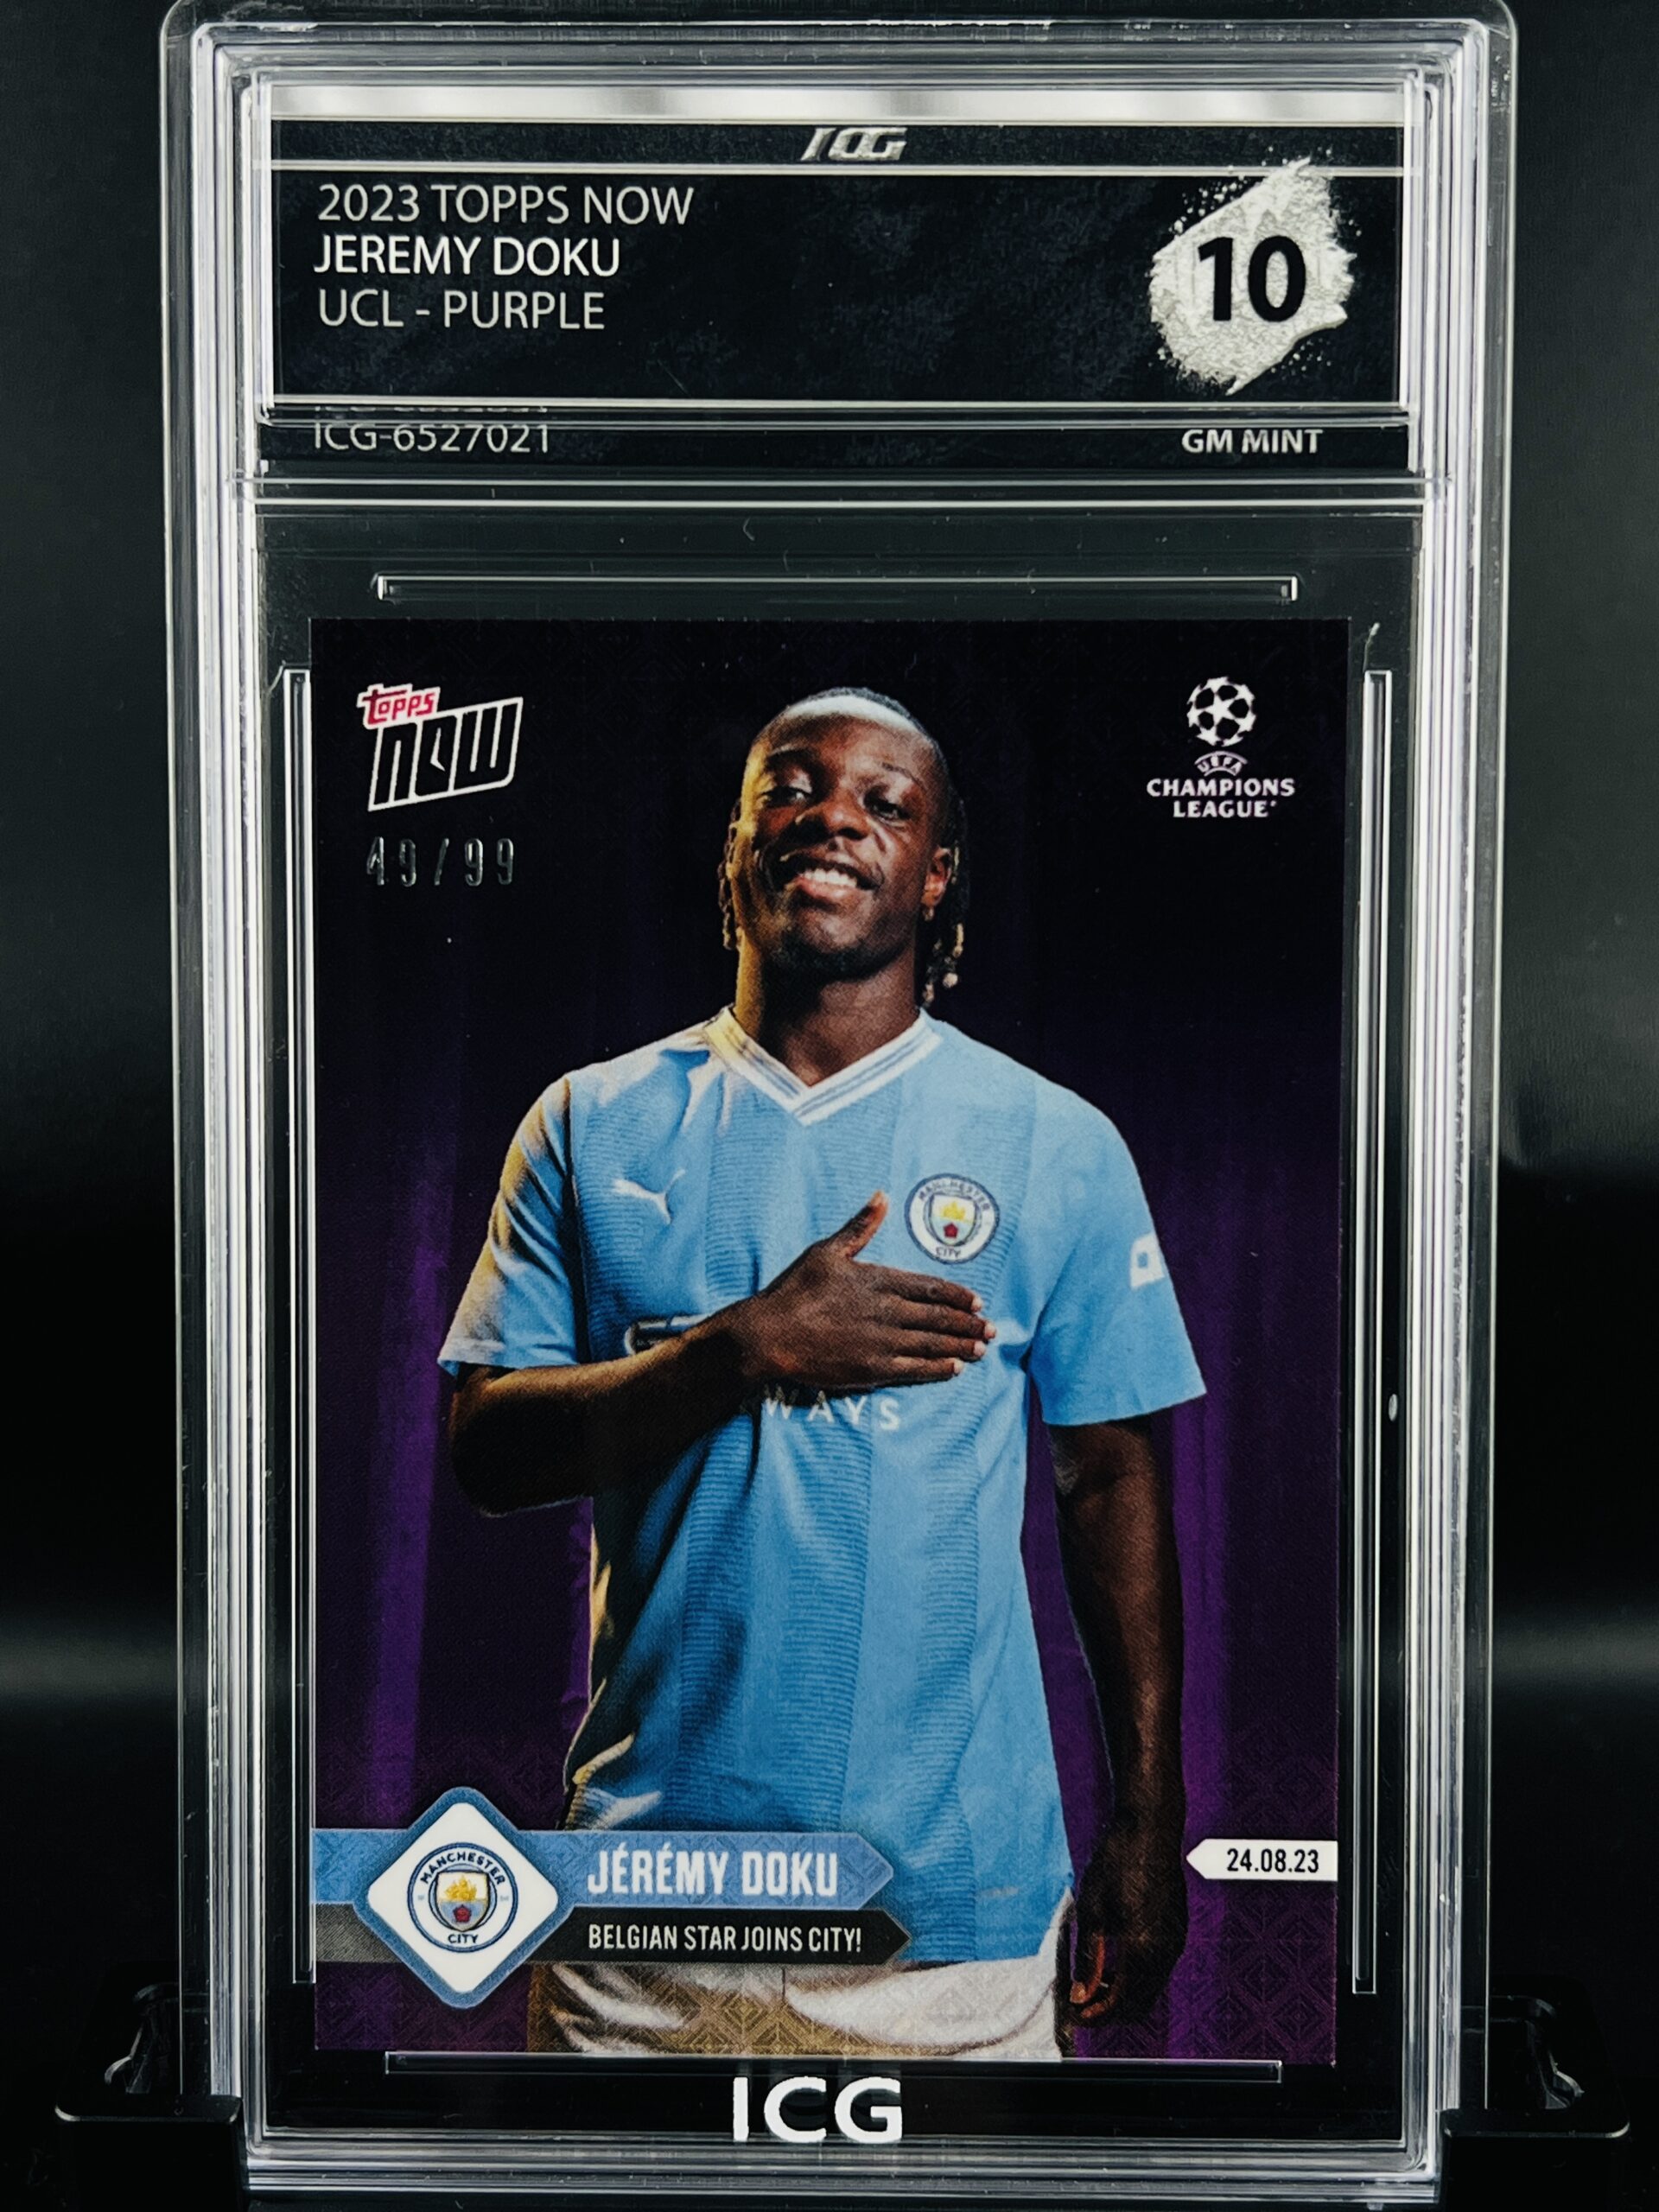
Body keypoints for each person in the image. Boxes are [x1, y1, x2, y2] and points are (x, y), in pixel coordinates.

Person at [440, 687, 1205, 2059]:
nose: (833, 816)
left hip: (948, 1927)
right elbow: (487, 1450)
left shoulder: (1056, 1141)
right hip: (653, 1914)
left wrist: (1150, 1822)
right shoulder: (588, 1121)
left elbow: (1110, 1483)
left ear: (936, 873)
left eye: (884, 804)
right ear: (737, 848)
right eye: (791, 788)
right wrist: (739, 1350)